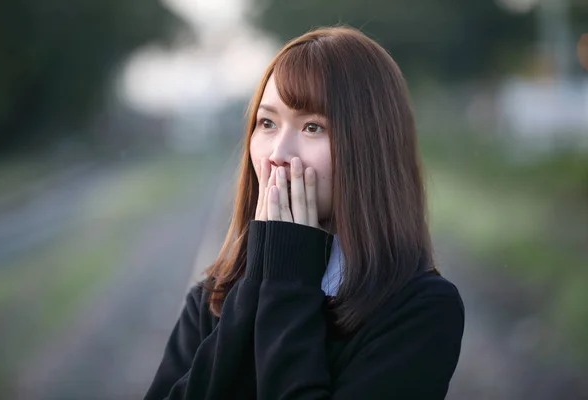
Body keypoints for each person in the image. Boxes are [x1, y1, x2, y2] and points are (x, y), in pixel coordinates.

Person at [144, 26, 465, 400]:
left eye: (313, 127)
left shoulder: (420, 310)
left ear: (369, 147)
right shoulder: (213, 298)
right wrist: (256, 287)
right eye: (267, 123)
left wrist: (287, 277)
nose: (278, 152)